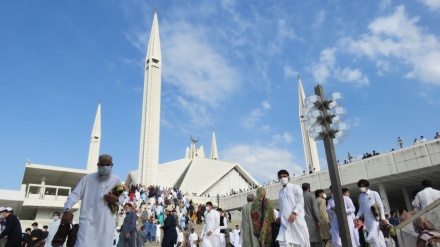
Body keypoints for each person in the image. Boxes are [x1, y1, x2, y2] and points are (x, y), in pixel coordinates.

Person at [63, 154, 126, 246]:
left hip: (106, 223)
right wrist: (67, 209)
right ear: (98, 165)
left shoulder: (116, 180)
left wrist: (116, 199)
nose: (105, 167)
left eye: (108, 165)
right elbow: (74, 195)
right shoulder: (87, 179)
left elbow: (122, 198)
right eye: (102, 164)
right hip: (88, 222)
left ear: (112, 165)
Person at [276, 169, 310, 247]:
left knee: (299, 242)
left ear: (289, 177)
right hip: (285, 221)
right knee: (282, 241)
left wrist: (294, 213)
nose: (282, 178)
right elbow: (282, 206)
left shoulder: (295, 187)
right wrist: (279, 216)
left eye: (284, 176)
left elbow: (300, 202)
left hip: (296, 219)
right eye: (280, 177)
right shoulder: (281, 191)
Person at [355, 179, 387, 246]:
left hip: (375, 219)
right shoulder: (361, 196)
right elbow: (361, 208)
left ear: (367, 186)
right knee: (375, 239)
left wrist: (383, 217)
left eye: (363, 186)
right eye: (360, 187)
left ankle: (370, 239)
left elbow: (380, 206)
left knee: (370, 237)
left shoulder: (374, 193)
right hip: (367, 220)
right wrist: (357, 217)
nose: (361, 188)